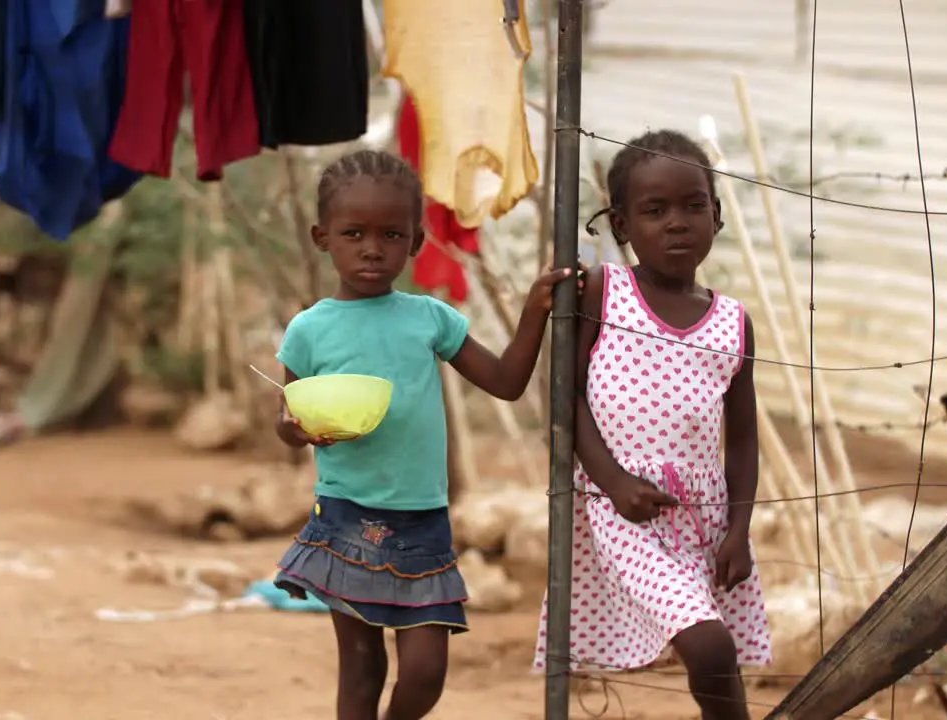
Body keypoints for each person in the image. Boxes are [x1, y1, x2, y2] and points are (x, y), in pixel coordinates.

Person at [272, 148, 578, 720]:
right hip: (346, 517)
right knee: (362, 670)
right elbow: (289, 420)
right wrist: (298, 431)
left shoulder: (430, 318)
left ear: (414, 242)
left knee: (425, 674)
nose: (372, 247)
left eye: (391, 234)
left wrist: (535, 314)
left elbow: (508, 382)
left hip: (424, 523)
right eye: (354, 233)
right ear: (322, 237)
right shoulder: (309, 330)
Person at [533, 130, 771, 720]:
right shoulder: (602, 292)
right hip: (624, 510)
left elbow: (741, 438)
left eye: (694, 206)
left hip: (703, 518)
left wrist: (738, 529)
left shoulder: (731, 322)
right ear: (621, 225)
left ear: (716, 217)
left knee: (717, 655)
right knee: (709, 643)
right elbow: (566, 394)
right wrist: (611, 480)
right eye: (654, 210)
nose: (676, 223)